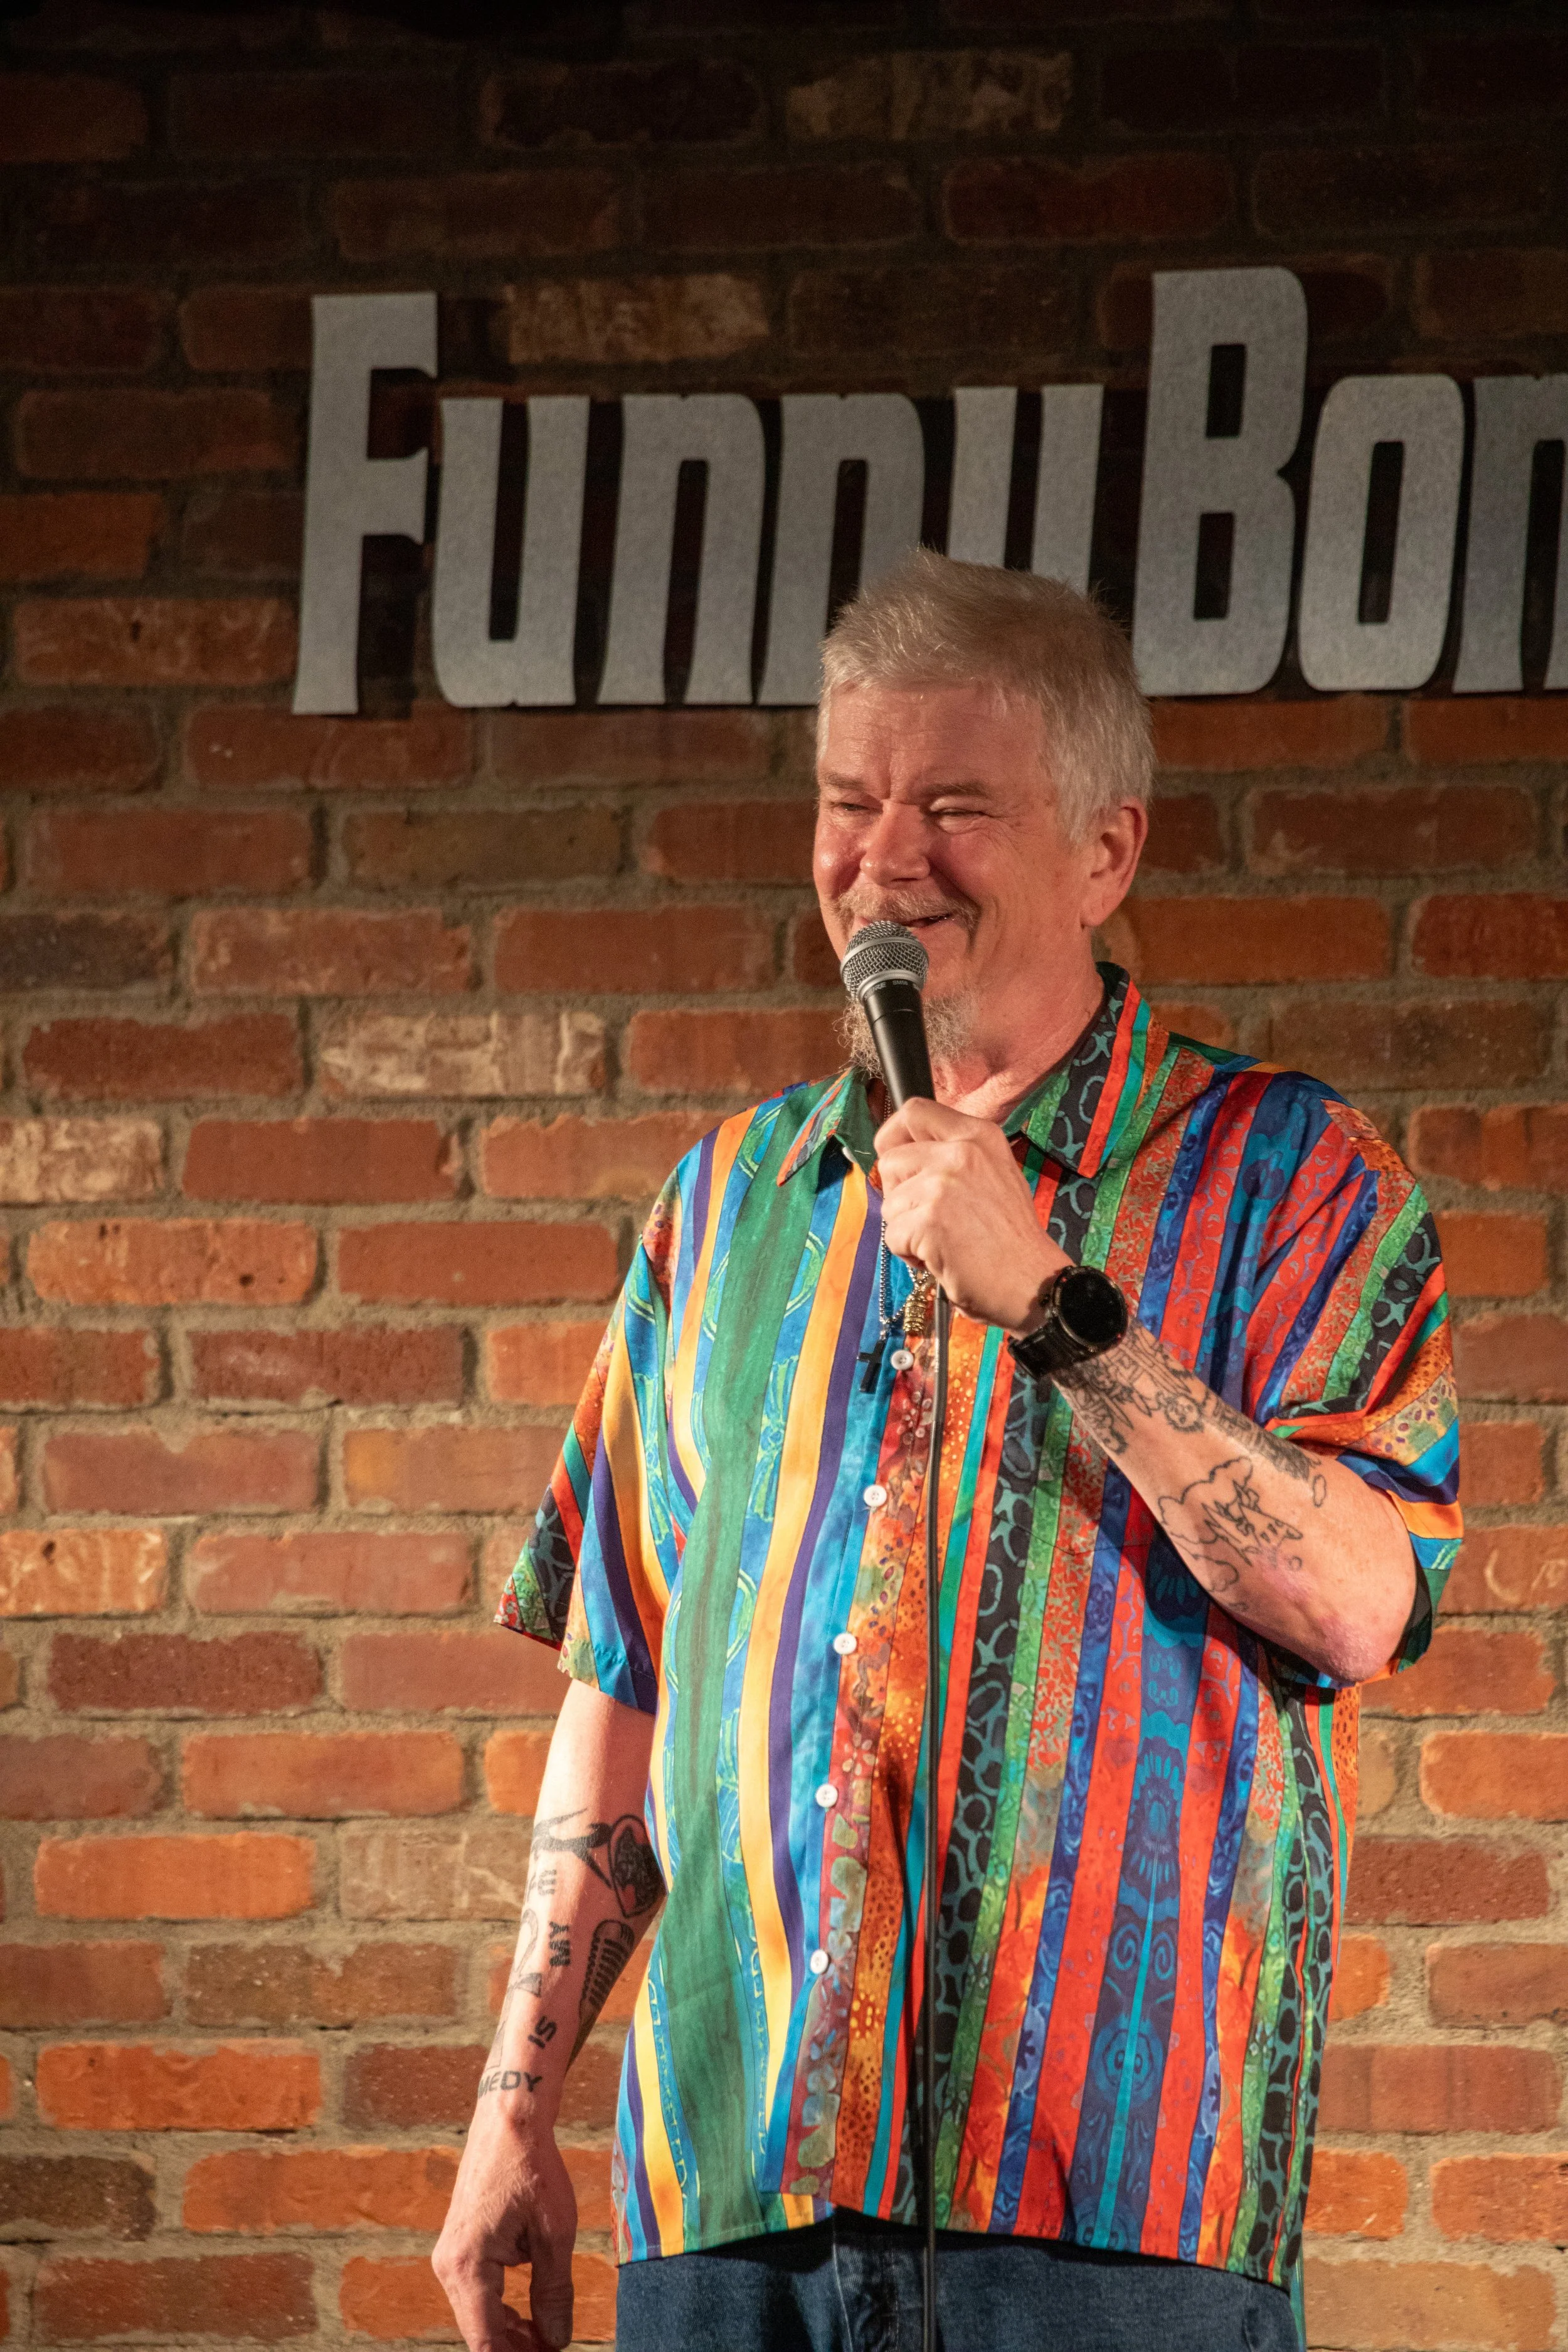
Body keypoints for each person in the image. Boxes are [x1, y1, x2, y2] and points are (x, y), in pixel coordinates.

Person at [433, 551, 1461, 2352]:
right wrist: (513, 2106)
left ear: (1103, 851)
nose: (882, 865)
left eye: (954, 807)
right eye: (849, 803)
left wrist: (1051, 1296)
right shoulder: (727, 1201)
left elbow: (1366, 1598)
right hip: (730, 2196)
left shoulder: (1295, 1172)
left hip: (1106, 2223)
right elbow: (626, 1669)